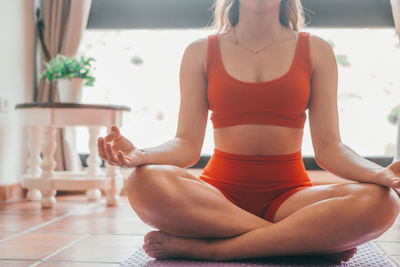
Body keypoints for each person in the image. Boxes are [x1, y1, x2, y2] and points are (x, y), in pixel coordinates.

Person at [97, 0, 400, 263]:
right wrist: (141, 155)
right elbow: (186, 145)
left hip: (291, 199)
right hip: (218, 198)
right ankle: (298, 242)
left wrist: (378, 174)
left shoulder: (316, 50)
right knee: (143, 181)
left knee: (383, 201)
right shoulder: (200, 51)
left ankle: (213, 250)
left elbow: (330, 147)